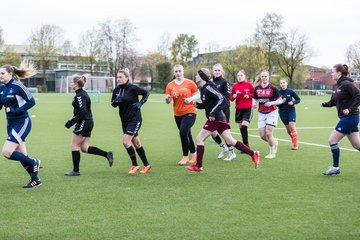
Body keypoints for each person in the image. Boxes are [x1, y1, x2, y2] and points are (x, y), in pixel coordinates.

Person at [186, 68, 259, 172]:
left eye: (198, 75)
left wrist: (213, 113)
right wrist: (198, 105)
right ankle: (253, 154)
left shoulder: (208, 87)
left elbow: (222, 99)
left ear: (202, 76)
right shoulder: (203, 88)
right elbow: (208, 104)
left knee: (199, 139)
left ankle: (198, 166)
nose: (196, 77)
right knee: (230, 141)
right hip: (220, 118)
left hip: (216, 118)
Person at [0, 61, 42, 188]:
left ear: (10, 73)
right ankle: (36, 180)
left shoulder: (18, 86)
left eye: (2, 73)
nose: (0, 76)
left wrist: (15, 110)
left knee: (7, 152)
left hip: (22, 122)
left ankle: (34, 162)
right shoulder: (1, 88)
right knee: (22, 155)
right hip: (11, 123)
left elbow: (31, 101)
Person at [65, 74, 113, 176]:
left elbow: (82, 112)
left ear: (76, 84)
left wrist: (71, 122)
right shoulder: (82, 93)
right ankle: (106, 154)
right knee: (85, 148)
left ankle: (76, 171)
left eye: (72, 82)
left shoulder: (80, 95)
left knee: (74, 145)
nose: (70, 84)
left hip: (84, 122)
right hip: (88, 121)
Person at [321, 64, 360, 175]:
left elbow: (359, 96)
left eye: (333, 72)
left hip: (351, 117)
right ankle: (335, 167)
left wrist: (350, 109)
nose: (331, 73)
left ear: (339, 73)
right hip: (347, 118)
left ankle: (335, 167)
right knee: (357, 145)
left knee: (332, 140)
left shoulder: (347, 84)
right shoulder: (335, 86)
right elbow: (333, 102)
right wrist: (325, 104)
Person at [111, 68, 151, 175]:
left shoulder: (132, 88)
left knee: (126, 142)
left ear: (127, 78)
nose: (118, 79)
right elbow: (113, 104)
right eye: (117, 77)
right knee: (136, 143)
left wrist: (140, 103)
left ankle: (135, 165)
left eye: (120, 77)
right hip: (124, 120)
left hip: (135, 119)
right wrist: (116, 101)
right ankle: (147, 165)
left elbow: (146, 93)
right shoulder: (116, 90)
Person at [165, 64, 199, 165]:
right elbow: (167, 100)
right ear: (173, 72)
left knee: (183, 132)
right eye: (176, 71)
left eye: (179, 71)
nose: (178, 73)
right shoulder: (170, 85)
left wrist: (190, 99)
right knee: (187, 133)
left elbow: (198, 94)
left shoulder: (190, 83)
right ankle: (194, 154)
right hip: (177, 113)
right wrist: (167, 99)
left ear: (183, 71)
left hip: (190, 112)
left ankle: (185, 157)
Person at [253, 70, 283, 159]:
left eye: (266, 76)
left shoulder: (273, 88)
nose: (264, 78)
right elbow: (255, 99)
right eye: (262, 76)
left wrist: (271, 103)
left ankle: (272, 152)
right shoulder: (257, 88)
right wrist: (253, 104)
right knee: (262, 136)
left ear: (268, 77)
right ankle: (274, 142)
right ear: (260, 77)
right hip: (261, 113)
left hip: (272, 112)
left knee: (269, 133)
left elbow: (280, 100)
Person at [211, 63, 236, 160]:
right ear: (212, 71)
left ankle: (231, 152)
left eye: (218, 70)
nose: (217, 72)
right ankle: (223, 148)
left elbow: (227, 96)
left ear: (221, 71)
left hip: (224, 109)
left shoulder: (224, 82)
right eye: (215, 70)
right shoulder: (210, 82)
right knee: (212, 131)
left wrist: (219, 105)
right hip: (214, 110)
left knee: (224, 132)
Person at [230, 70, 254, 149]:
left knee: (244, 126)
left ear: (244, 77)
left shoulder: (249, 85)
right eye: (238, 76)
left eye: (241, 75)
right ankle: (244, 145)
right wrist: (234, 96)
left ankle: (246, 145)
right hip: (239, 109)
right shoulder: (234, 86)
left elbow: (255, 94)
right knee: (241, 128)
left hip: (247, 109)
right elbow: (231, 99)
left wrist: (249, 96)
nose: (239, 77)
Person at [278, 79, 301, 150]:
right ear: (280, 85)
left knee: (292, 126)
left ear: (286, 83)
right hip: (282, 112)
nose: (282, 84)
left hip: (291, 111)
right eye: (281, 83)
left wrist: (293, 102)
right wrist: (281, 102)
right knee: (288, 130)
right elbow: (276, 103)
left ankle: (295, 145)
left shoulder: (290, 91)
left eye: (283, 83)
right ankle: (294, 140)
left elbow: (298, 99)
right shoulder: (278, 93)